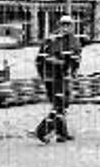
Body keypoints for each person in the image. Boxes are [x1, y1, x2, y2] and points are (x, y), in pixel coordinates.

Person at [33, 15, 81, 143]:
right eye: (63, 24)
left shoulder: (71, 40)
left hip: (60, 75)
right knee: (61, 104)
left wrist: (73, 71)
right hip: (54, 76)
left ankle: (61, 133)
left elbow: (76, 58)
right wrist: (58, 63)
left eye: (68, 24)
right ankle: (42, 131)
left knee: (61, 103)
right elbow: (44, 58)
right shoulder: (54, 40)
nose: (65, 27)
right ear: (59, 25)